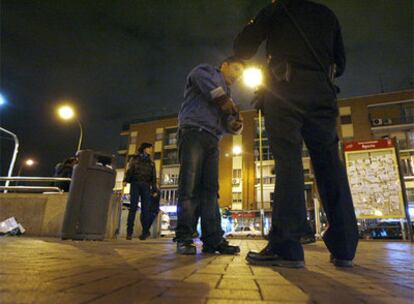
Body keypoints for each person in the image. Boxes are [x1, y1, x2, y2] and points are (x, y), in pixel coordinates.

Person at [234, 0, 358, 268]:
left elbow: (242, 48)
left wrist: (257, 21)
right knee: (329, 164)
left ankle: (287, 245)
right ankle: (345, 246)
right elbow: (342, 64)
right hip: (322, 93)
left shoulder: (277, 9)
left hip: (284, 89)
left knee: (289, 161)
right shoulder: (328, 13)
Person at [175, 56, 244, 255]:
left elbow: (226, 123)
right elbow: (200, 79)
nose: (238, 75)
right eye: (237, 68)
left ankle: (213, 240)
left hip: (213, 138)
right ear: (224, 65)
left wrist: (234, 126)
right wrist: (225, 102)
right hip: (193, 132)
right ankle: (184, 237)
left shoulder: (227, 94)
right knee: (189, 187)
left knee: (210, 191)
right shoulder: (206, 71)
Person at [123, 143, 158, 240]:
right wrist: (125, 180)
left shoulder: (151, 163)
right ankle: (129, 232)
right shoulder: (135, 159)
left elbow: (153, 177)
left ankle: (145, 232)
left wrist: (154, 189)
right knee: (133, 208)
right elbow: (130, 170)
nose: (151, 150)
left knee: (145, 210)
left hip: (146, 186)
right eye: (149, 148)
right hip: (135, 184)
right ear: (144, 149)